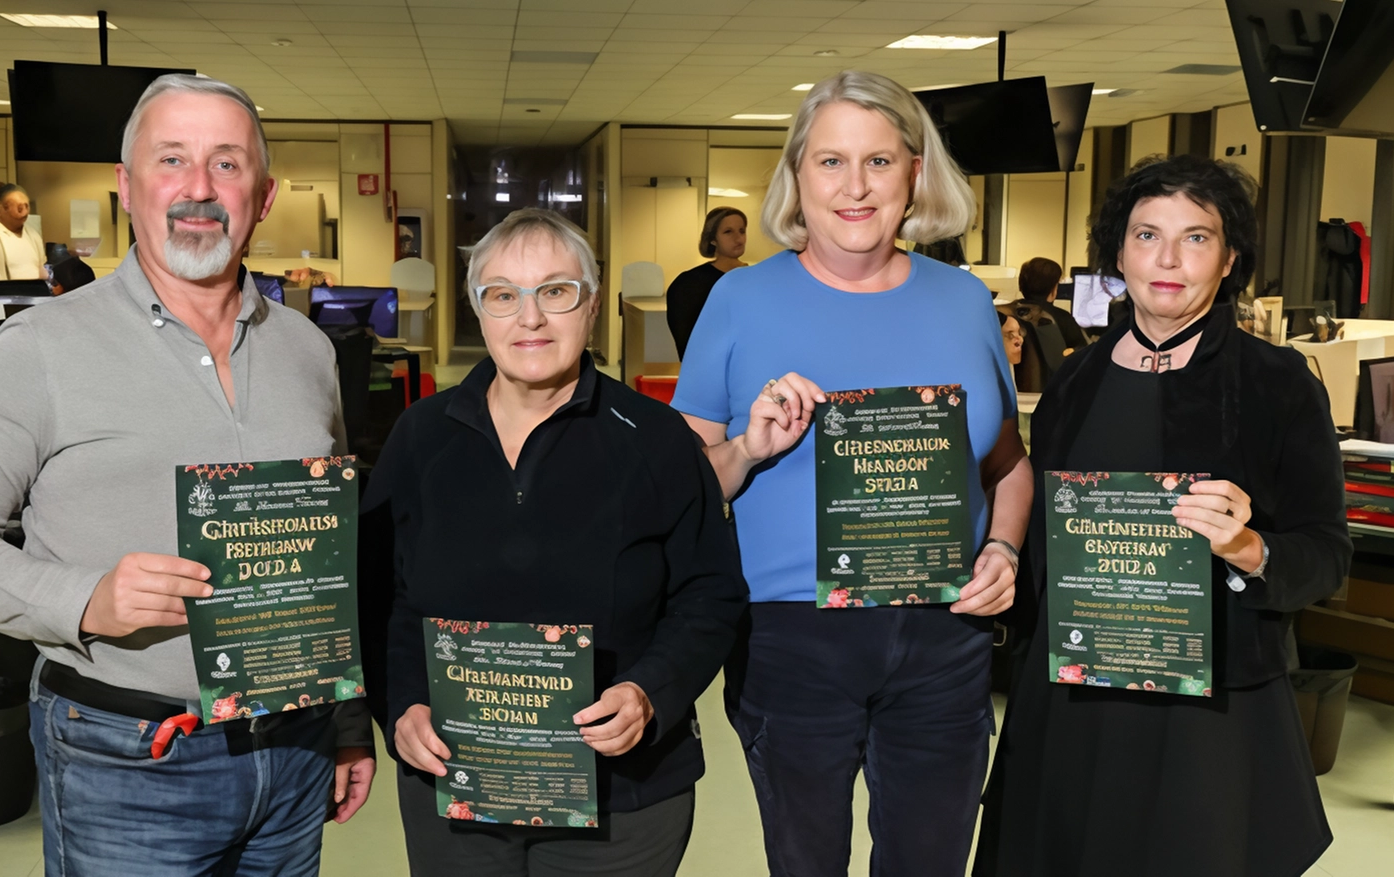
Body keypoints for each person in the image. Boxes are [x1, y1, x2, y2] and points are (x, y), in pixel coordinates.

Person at [0, 74, 375, 876]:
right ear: (127, 187)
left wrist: (348, 716)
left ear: (261, 197)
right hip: (128, 761)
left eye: (227, 164)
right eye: (172, 160)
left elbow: (324, 551)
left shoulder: (309, 351)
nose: (199, 187)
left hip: (293, 746)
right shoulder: (44, 349)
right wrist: (85, 598)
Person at [672, 70, 1031, 877]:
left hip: (945, 635)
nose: (855, 186)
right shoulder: (739, 302)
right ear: (797, 177)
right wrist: (750, 447)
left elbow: (1009, 465)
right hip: (792, 639)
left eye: (879, 160)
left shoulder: (965, 302)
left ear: (915, 171)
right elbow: (680, 491)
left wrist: (1004, 551)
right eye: (830, 161)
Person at [973, 154, 1349, 877]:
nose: (1168, 259)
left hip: (1207, 711)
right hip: (1074, 693)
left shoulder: (1277, 386)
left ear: (1230, 256)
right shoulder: (1075, 381)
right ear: (1119, 253)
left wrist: (1248, 547)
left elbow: (1327, 551)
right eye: (1147, 235)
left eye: (1197, 237)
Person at [368, 207, 746, 876]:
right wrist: (402, 707)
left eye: (556, 291)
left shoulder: (656, 440)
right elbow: (385, 598)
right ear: (477, 310)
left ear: (593, 305)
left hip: (623, 801)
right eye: (503, 295)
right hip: (457, 785)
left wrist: (651, 692)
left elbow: (711, 596)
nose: (530, 318)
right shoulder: (420, 439)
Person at [666, 207, 746, 359]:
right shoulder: (689, 283)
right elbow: (685, 341)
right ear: (713, 239)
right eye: (728, 232)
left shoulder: (755, 278)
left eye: (741, 231)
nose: (738, 238)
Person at [1011, 256, 1087, 353]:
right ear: (1053, 290)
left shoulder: (1008, 315)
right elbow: (1083, 353)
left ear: (1021, 285)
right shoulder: (1064, 319)